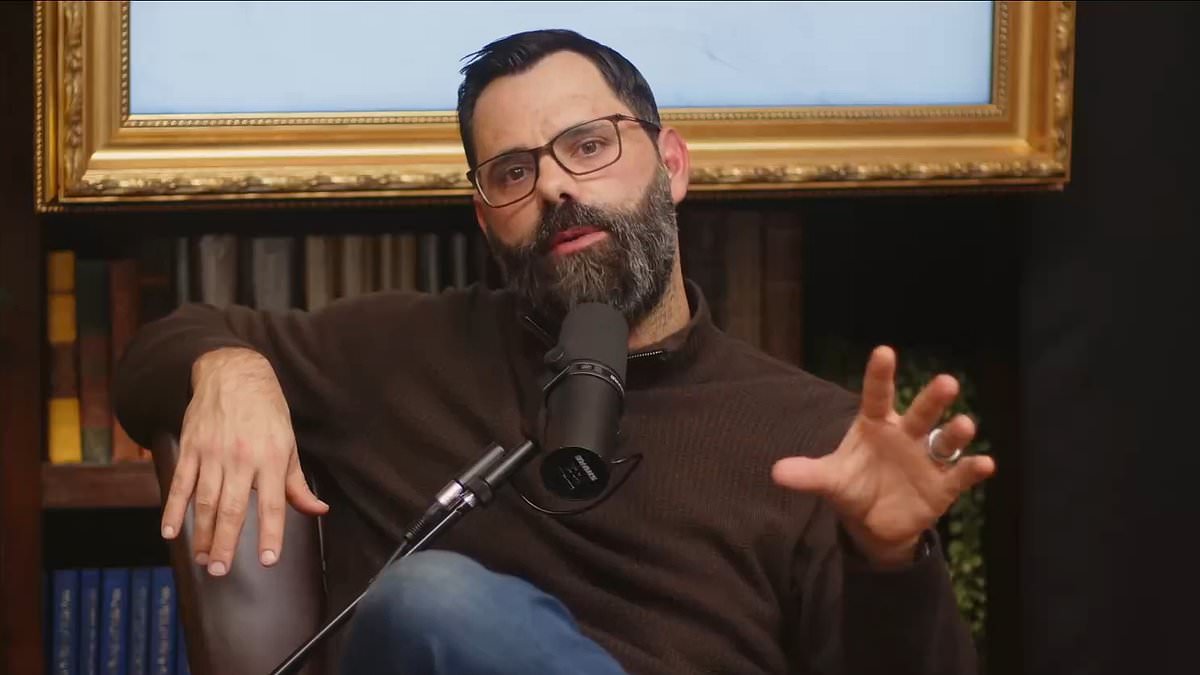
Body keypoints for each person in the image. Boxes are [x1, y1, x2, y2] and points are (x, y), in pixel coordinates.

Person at [114, 29, 994, 675]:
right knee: (430, 601)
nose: (556, 186)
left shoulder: (811, 438)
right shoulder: (396, 354)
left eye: (589, 145)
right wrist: (228, 365)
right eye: (513, 171)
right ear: (484, 217)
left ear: (673, 165)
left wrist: (890, 562)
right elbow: (154, 353)